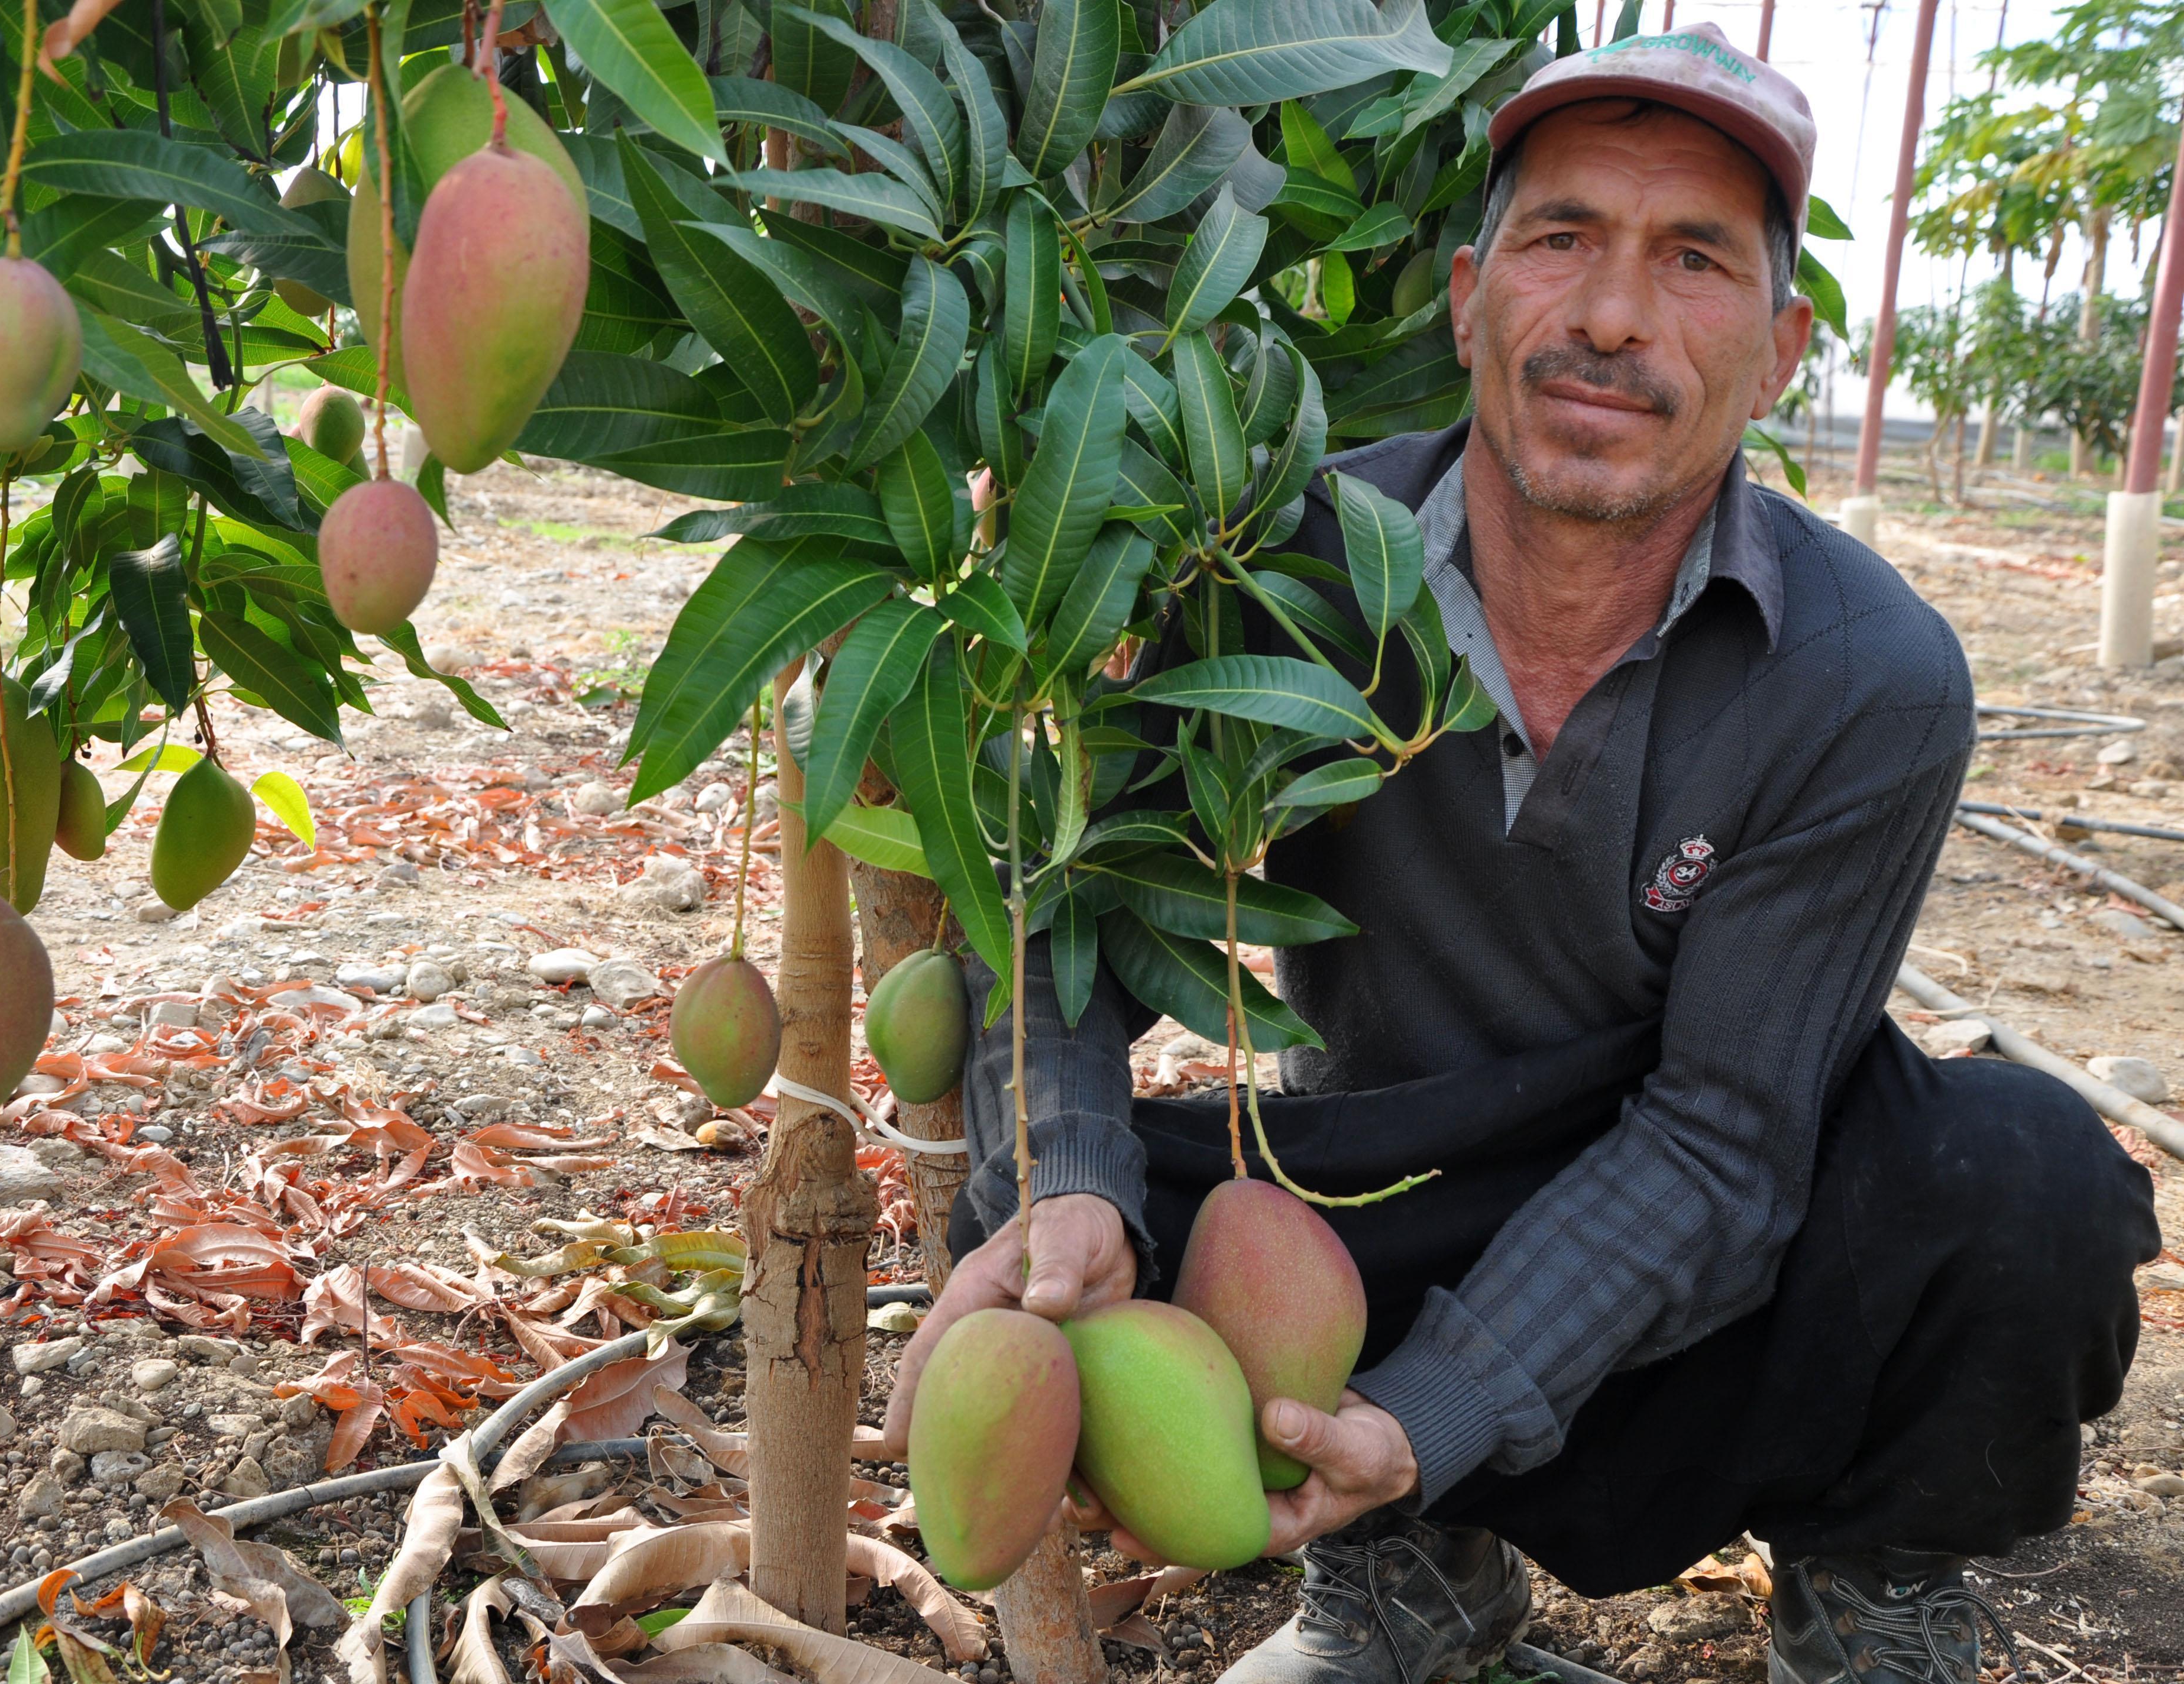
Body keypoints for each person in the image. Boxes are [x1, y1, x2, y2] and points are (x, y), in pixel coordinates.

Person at [882, 25, 2160, 1684]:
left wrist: (1427, 1418)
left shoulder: (1866, 674)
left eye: (1692, 260)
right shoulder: (1269, 581)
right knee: (1054, 1174)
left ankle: (1876, 1585)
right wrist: (1070, 1184)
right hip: (1393, 1168)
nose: (1613, 317)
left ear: (1779, 351)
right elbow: (1064, 911)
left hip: (1716, 1206)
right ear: (1473, 295)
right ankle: (1409, 1591)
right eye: (1564, 240)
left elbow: (1719, 1142)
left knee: (2021, 1182)